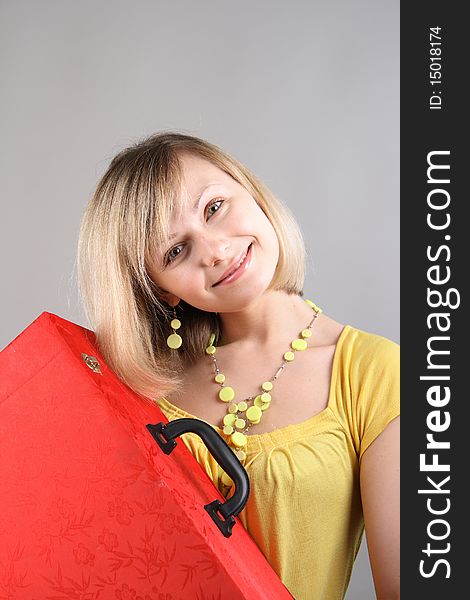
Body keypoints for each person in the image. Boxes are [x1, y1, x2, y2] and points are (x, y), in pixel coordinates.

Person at [77, 132, 400, 600]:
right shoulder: (135, 389)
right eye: (175, 251)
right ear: (162, 289)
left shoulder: (374, 373)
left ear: (248, 188)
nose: (214, 250)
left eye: (214, 208)